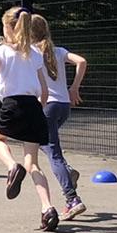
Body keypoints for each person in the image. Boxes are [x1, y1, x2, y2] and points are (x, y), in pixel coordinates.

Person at [0, 5, 61, 232]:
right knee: (33, 163)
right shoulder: (35, 53)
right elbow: (44, 89)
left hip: (12, 104)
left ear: (8, 27)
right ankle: (48, 208)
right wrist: (39, 108)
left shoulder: (0, 52)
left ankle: (12, 167)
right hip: (34, 106)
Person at [26, 13, 88, 219]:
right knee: (41, 142)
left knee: (53, 153)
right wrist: (74, 87)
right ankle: (67, 172)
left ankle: (72, 199)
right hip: (63, 106)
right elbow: (82, 61)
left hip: (47, 107)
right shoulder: (58, 51)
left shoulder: (31, 53)